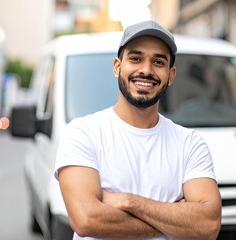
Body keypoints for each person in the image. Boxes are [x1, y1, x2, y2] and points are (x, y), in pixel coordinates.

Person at [55, 20, 222, 240]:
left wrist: (128, 202)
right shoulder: (83, 133)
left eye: (158, 62)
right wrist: (174, 219)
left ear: (170, 76)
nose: (146, 70)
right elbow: (86, 219)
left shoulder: (189, 143)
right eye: (135, 58)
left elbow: (208, 225)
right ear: (117, 67)